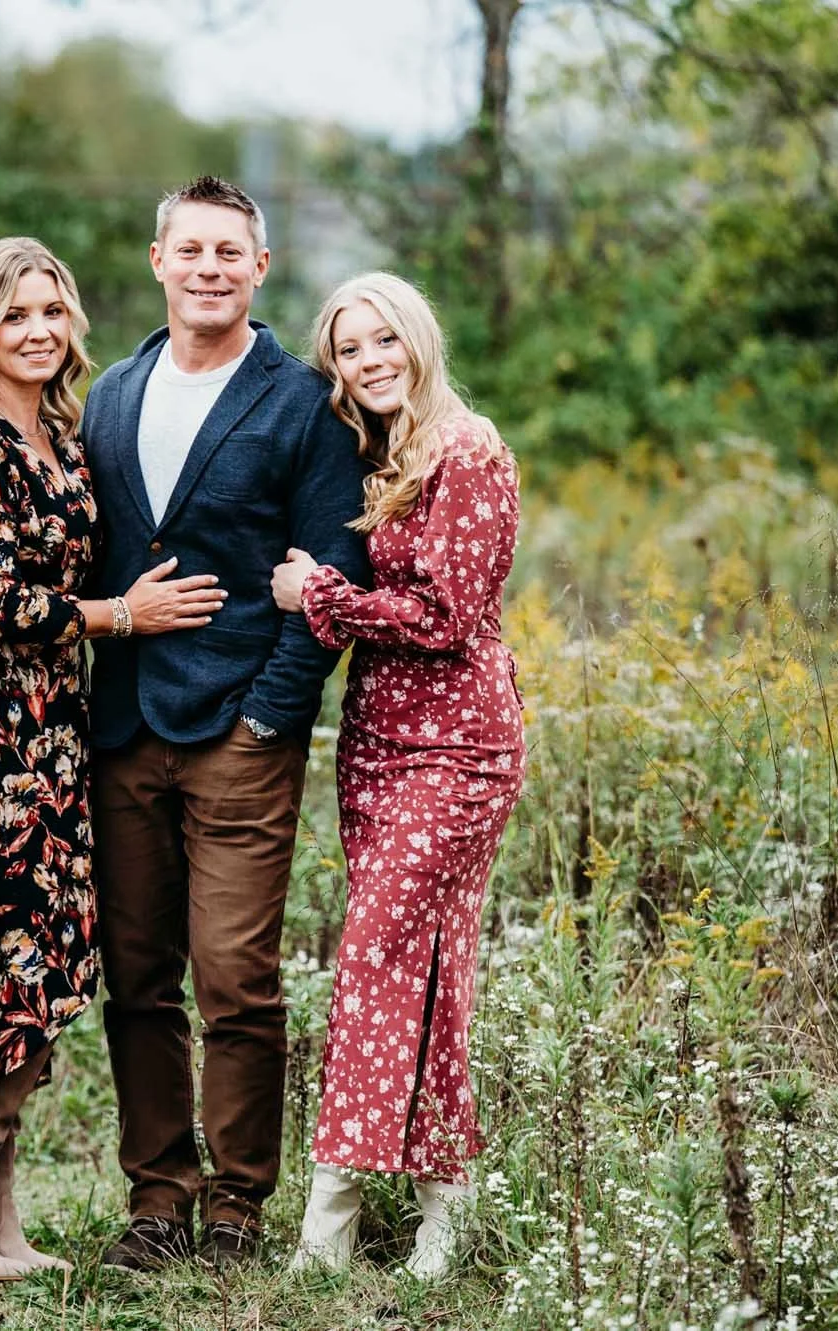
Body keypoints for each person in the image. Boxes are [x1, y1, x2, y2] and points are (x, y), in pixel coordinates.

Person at [0, 236, 226, 1280]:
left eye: (51, 310)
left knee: (44, 969)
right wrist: (118, 616)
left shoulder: (62, 432)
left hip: (57, 735)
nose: (37, 331)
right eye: (14, 314)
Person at [79, 177, 371, 1269]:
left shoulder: (301, 401)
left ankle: (239, 1203)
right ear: (156, 259)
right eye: (188, 248)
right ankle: (155, 1196)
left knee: (235, 977)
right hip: (119, 728)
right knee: (137, 972)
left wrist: (268, 715)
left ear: (258, 268)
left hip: (238, 732)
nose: (207, 267)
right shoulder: (110, 392)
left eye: (228, 252)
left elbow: (328, 567)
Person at [274, 271, 526, 1282]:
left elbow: (442, 618)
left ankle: (325, 1228)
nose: (367, 359)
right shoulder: (382, 450)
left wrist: (317, 592)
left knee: (375, 959)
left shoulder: (467, 450)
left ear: (417, 339)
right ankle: (443, 1209)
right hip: (378, 745)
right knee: (419, 971)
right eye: (347, 347)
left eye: (383, 339)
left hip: (457, 749)